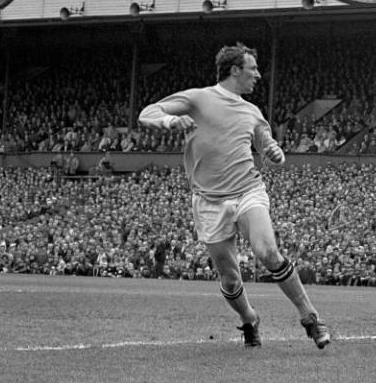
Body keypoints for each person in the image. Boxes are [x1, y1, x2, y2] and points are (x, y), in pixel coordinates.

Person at [139, 43, 329, 349]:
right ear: (235, 70)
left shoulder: (253, 111)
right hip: (209, 201)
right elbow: (147, 113)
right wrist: (171, 121)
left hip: (248, 191)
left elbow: (266, 145)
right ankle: (250, 319)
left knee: (268, 252)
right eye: (253, 69)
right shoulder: (199, 98)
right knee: (229, 279)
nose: (258, 75)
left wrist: (274, 152)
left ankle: (310, 317)